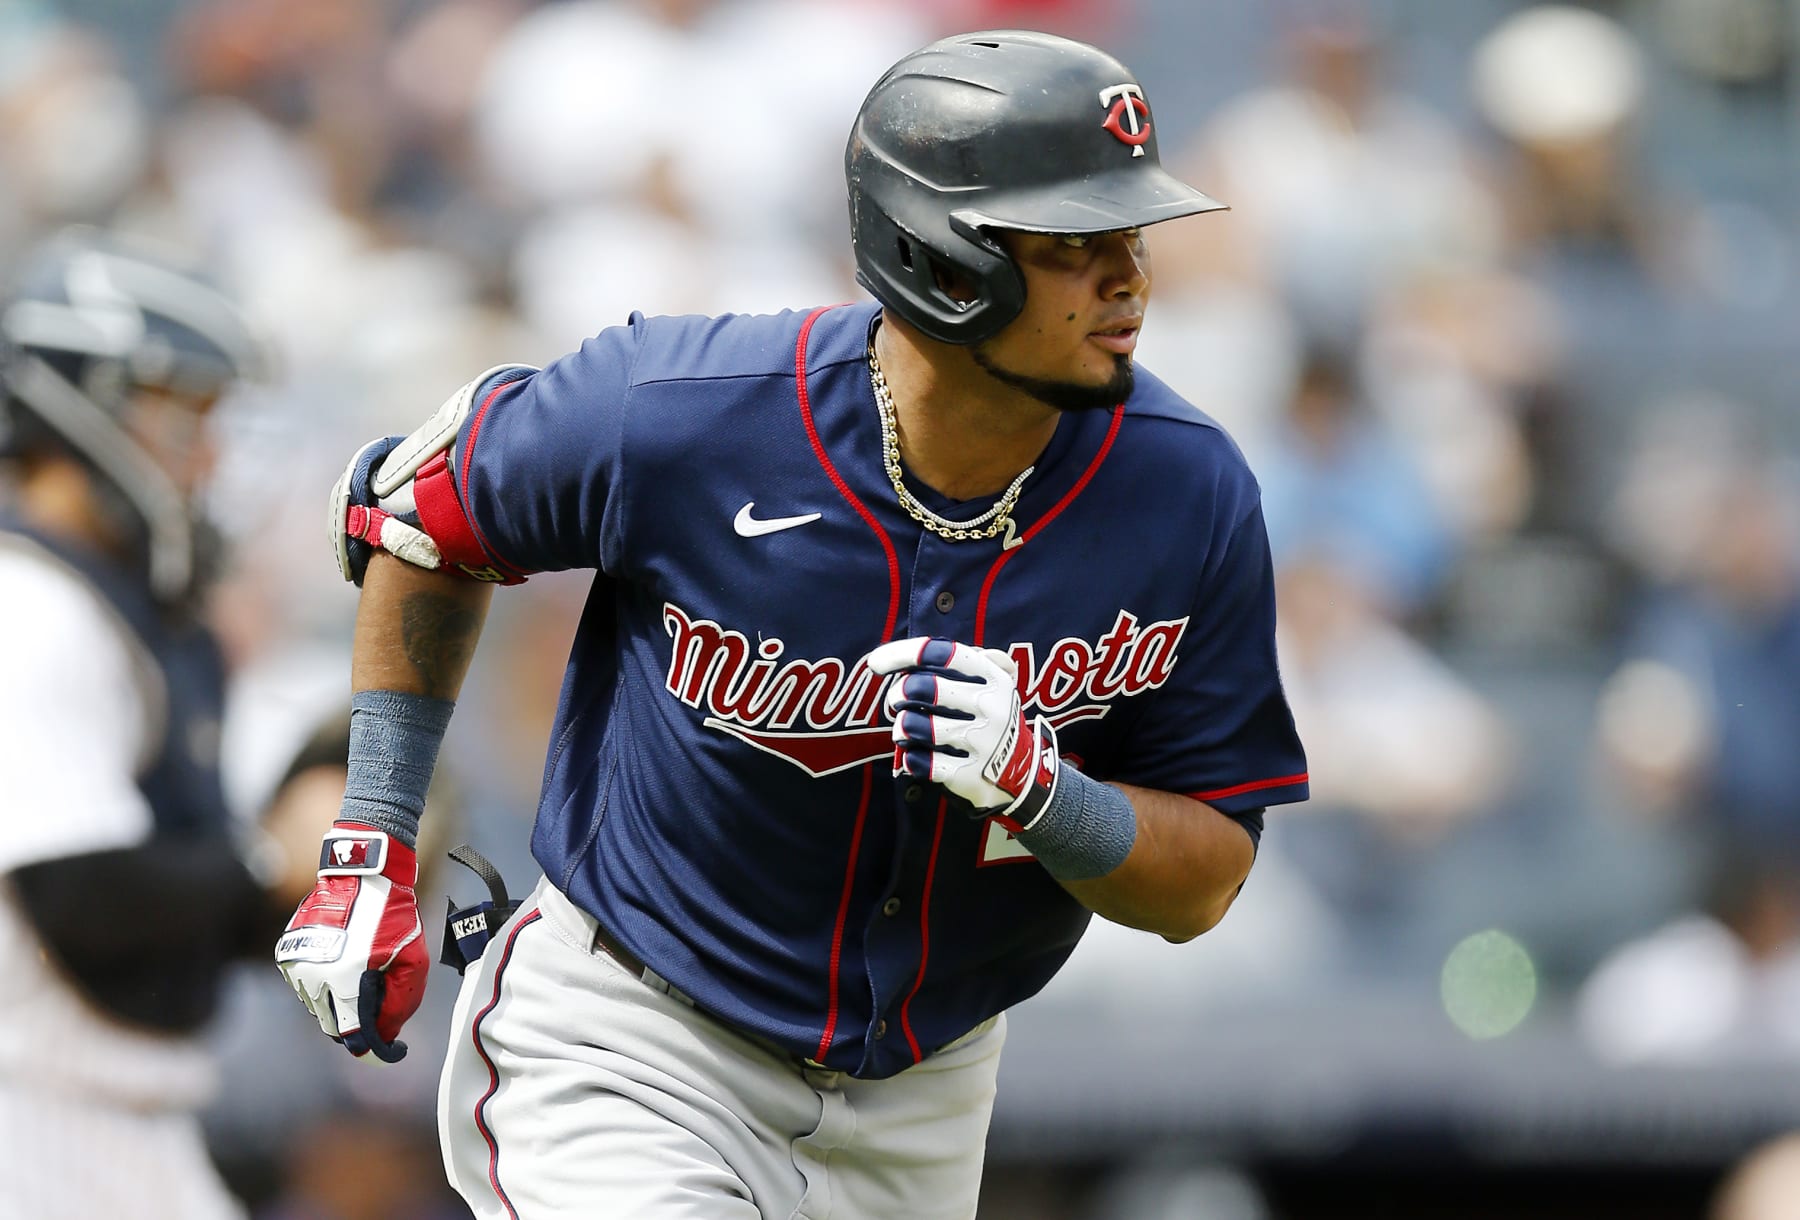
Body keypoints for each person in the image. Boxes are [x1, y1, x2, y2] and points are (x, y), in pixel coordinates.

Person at [277, 30, 1309, 1218]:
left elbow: (1206, 878)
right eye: (1077, 242)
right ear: (943, 255)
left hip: (927, 1090)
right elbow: (423, 513)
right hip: (637, 1035)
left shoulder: (1190, 491)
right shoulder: (686, 411)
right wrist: (372, 838)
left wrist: (1046, 791)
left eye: (1133, 235)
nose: (1130, 276)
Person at [0, 228, 301, 1218]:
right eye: (185, 416)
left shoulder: (102, 603)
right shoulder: (28, 601)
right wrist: (271, 861)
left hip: (110, 1124)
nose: (206, 455)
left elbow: (177, 881)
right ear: (87, 404)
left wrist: (322, 866)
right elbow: (83, 893)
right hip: (35, 1123)